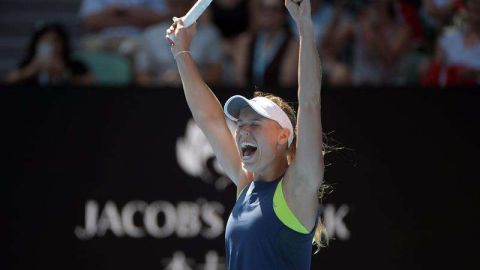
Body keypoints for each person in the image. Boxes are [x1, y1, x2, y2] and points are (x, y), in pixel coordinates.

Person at [166, 0, 326, 269]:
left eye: (255, 123)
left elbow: (309, 102)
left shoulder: (297, 190)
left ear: (284, 135)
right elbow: (210, 120)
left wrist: (305, 29)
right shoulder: (245, 185)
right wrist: (181, 50)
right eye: (241, 124)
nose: (242, 130)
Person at [134, 0, 223, 86]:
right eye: (175, 4)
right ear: (168, 3)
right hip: (159, 93)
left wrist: (187, 80)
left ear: (192, 3)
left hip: (198, 93)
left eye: (184, 4)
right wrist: (160, 81)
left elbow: (216, 73)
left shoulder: (209, 33)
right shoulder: (150, 34)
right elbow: (141, 74)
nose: (179, 9)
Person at [5, 23, 93, 86]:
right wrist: (30, 71)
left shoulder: (74, 64)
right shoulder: (27, 64)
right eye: (45, 40)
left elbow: (91, 82)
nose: (51, 45)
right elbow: (8, 81)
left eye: (55, 40)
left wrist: (64, 74)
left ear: (63, 44)